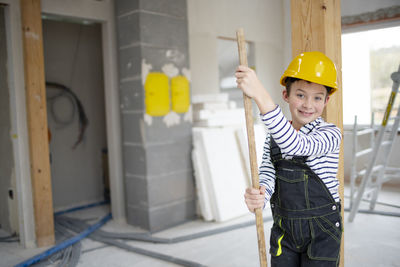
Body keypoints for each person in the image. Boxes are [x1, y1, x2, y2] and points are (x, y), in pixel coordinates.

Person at [235, 51, 342, 267]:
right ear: (286, 95)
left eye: (317, 97)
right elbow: (267, 173)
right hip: (285, 228)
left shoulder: (331, 134)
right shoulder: (274, 138)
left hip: (322, 232)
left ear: (327, 100)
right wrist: (261, 195)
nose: (308, 105)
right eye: (300, 95)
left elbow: (296, 145)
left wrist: (260, 95)